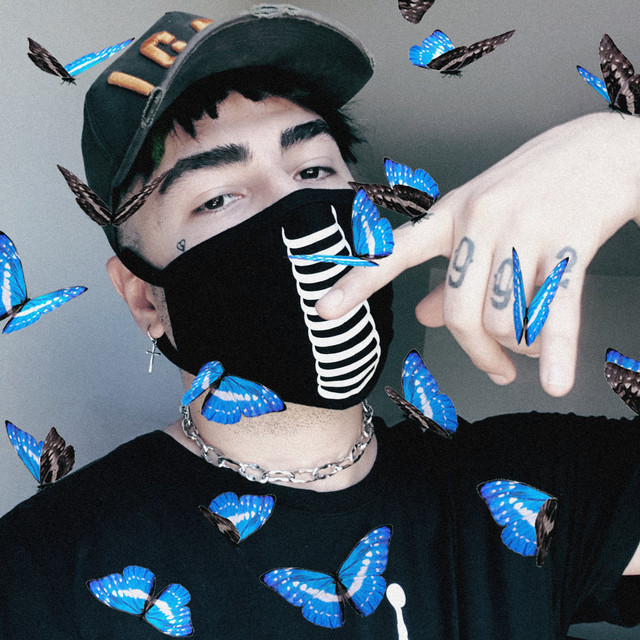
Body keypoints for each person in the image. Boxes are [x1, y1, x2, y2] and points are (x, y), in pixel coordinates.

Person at [1, 5, 639, 639]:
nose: (298, 205)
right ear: (145, 299)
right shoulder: (42, 569)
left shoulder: (528, 487)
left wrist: (626, 156)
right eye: (218, 197)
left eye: (313, 170)